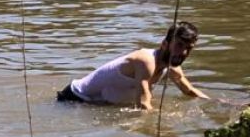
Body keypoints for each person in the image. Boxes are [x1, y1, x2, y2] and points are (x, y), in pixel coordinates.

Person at [57, 22, 208, 110]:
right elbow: (143, 106)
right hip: (74, 99)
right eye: (179, 45)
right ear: (164, 44)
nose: (183, 52)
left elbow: (189, 91)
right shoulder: (146, 61)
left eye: (189, 48)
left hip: (97, 103)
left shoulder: (172, 66)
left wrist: (219, 104)